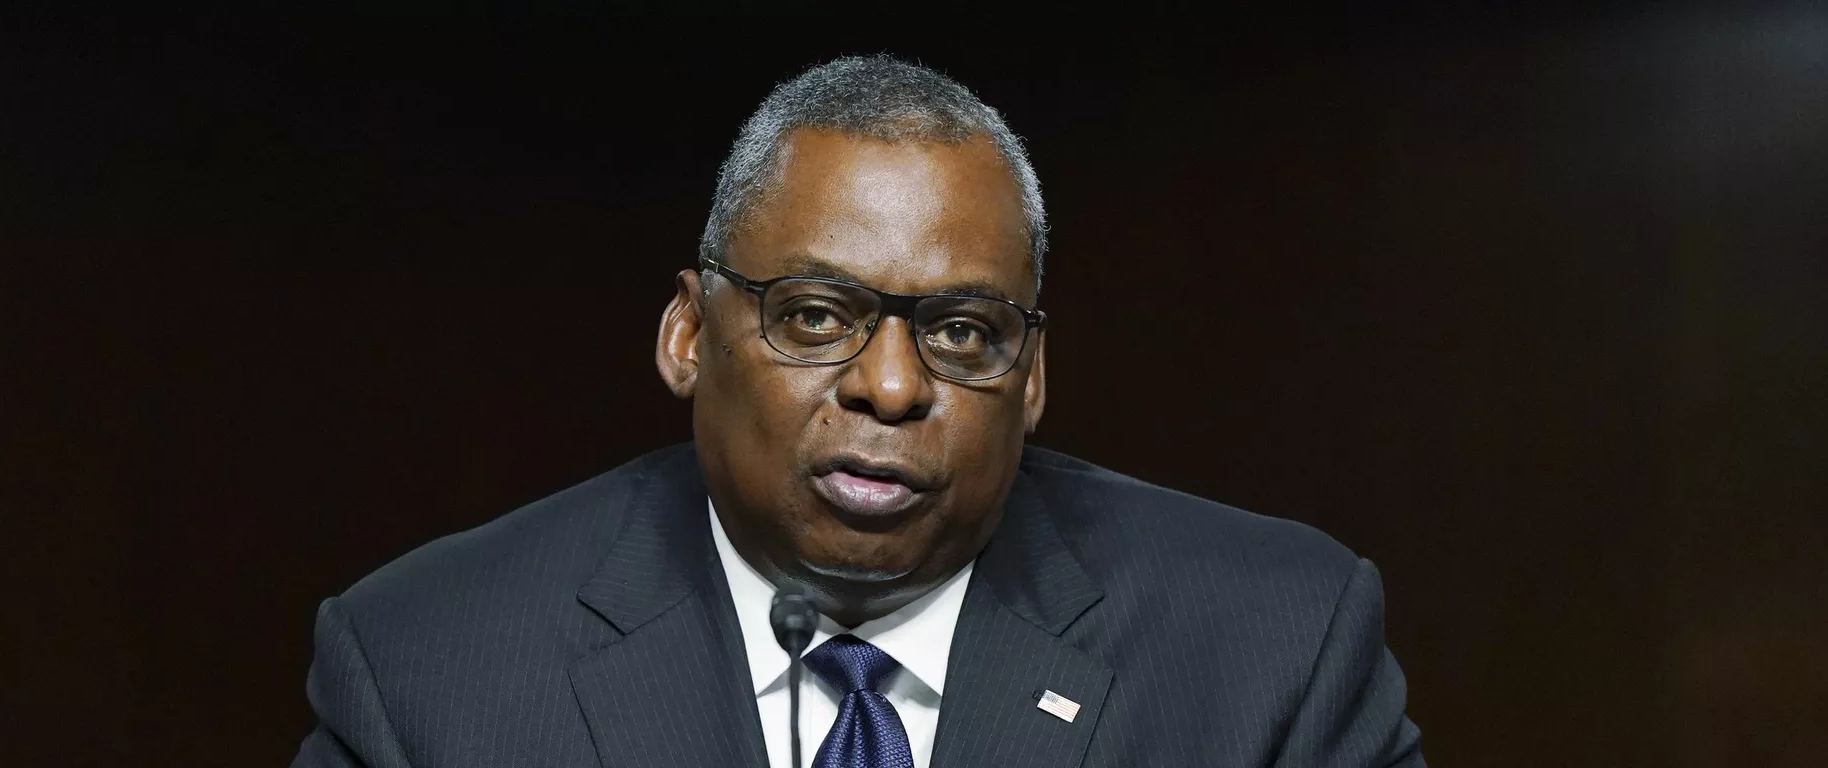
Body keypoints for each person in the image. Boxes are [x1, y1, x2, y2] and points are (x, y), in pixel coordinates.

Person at [291, 55, 1425, 768]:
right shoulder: (431, 671)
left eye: (964, 332)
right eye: (816, 316)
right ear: (689, 337)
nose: (890, 386)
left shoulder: (1275, 651)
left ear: (1030, 383)